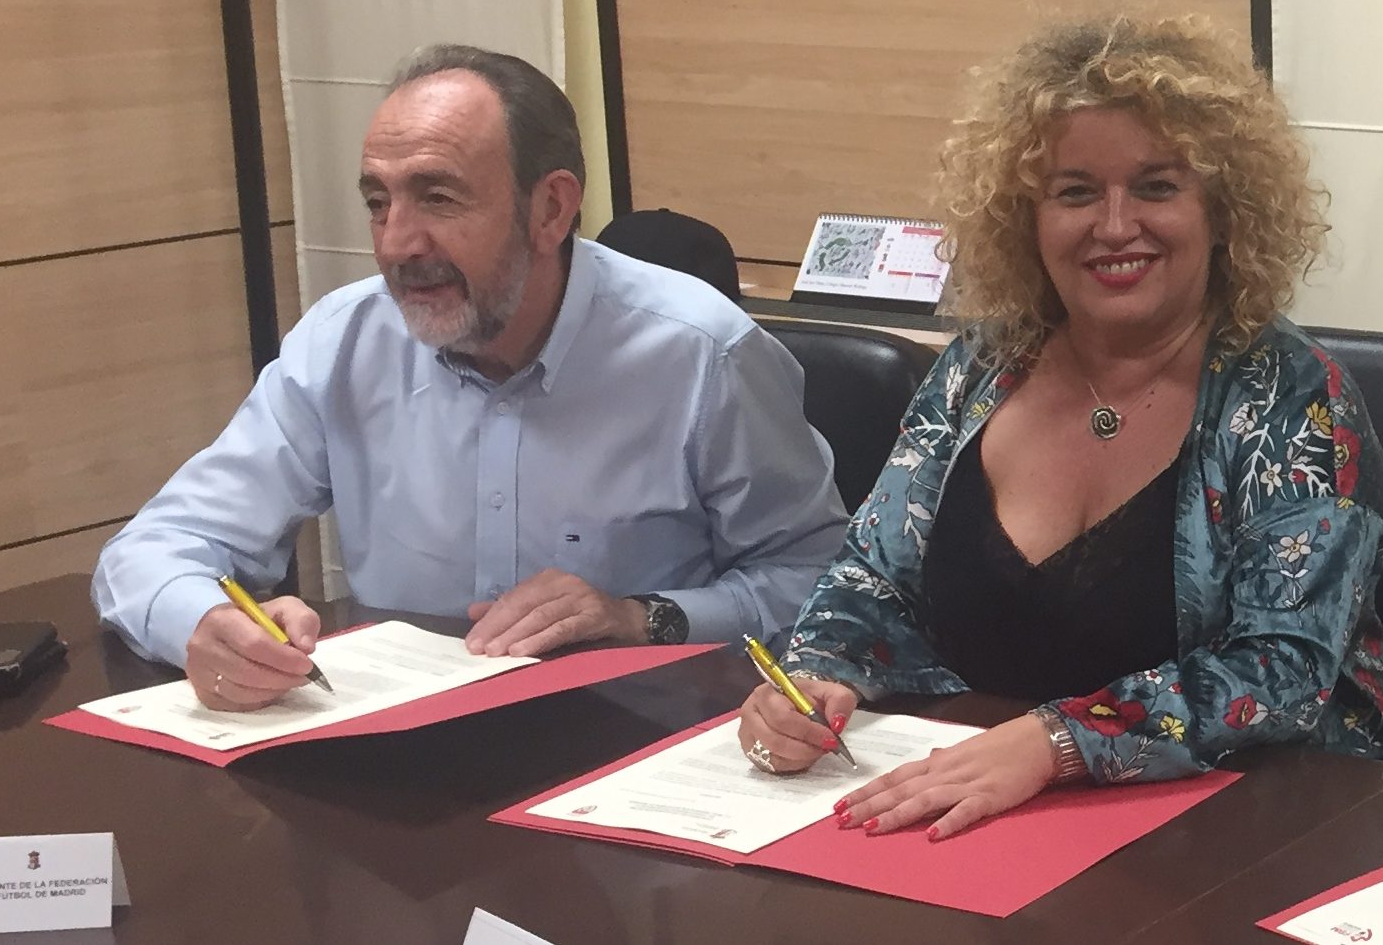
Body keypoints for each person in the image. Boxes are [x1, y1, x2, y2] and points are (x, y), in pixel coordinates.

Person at [738, 13, 1383, 842]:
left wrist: (1058, 743)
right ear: (1027, 215)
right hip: (971, 804)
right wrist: (812, 678)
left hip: (1237, 828)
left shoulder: (1295, 397)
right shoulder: (982, 364)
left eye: (1156, 187)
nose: (1114, 226)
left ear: (1222, 210)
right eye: (1076, 192)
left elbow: (1281, 671)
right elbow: (872, 577)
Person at [93, 44, 849, 712]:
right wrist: (205, 624)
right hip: (400, 758)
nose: (397, 244)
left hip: (635, 751)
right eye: (378, 203)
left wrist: (639, 617)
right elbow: (156, 547)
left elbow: (818, 583)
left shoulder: (702, 353)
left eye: (438, 198)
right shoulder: (343, 342)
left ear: (550, 209)